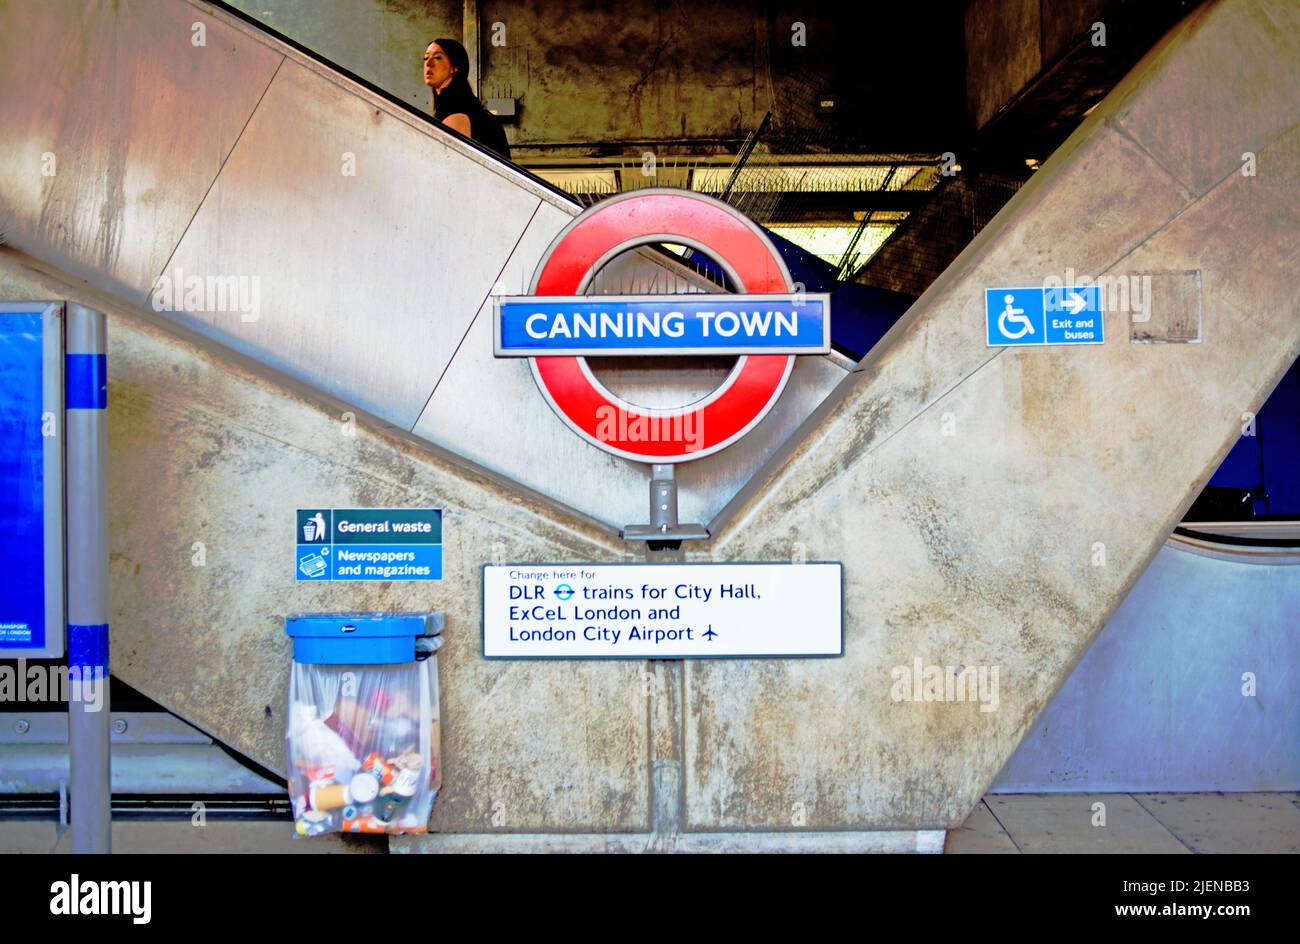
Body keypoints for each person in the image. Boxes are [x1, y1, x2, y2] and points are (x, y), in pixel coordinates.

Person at [423, 38, 511, 160]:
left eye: (437, 57)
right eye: (426, 58)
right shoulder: (464, 104)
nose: (428, 63)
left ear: (455, 67)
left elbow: (451, 165)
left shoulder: (456, 109)